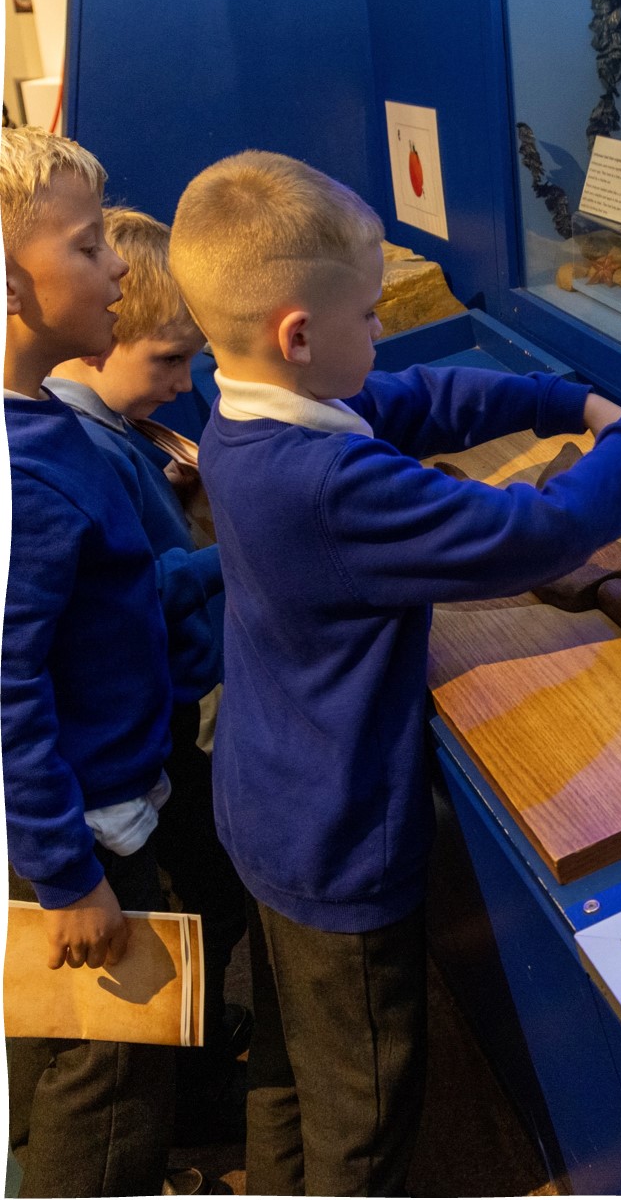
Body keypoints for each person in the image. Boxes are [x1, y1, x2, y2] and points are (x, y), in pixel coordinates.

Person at [167, 149, 621, 1195]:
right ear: (299, 333)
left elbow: (413, 398)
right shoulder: (327, 486)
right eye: (369, 316)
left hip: (266, 805)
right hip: (337, 847)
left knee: (289, 1077)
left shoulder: (242, 406)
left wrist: (569, 406)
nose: (381, 334)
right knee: (365, 1109)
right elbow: (537, 531)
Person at [44, 207, 251, 1144]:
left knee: (208, 900)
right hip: (150, 734)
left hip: (162, 722)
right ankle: (192, 1099)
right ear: (99, 341)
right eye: (169, 361)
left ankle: (197, 1057)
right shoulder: (80, 451)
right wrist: (240, 550)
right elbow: (142, 587)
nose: (185, 382)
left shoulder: (115, 434)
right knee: (199, 901)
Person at [1, 126, 178, 1195]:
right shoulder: (25, 479)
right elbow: (5, 689)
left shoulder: (53, 429)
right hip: (82, 838)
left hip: (98, 814)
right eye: (84, 248)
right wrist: (68, 876)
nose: (117, 264)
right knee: (100, 1087)